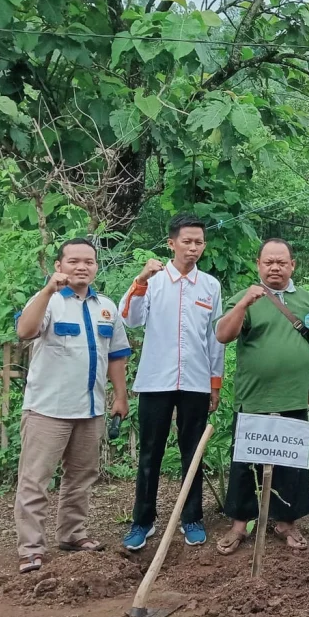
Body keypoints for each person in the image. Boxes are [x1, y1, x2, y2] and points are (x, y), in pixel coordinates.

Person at [13, 238, 131, 573]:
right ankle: (31, 547)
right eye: (74, 261)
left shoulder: (106, 307)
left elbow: (117, 356)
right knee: (35, 480)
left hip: (90, 409)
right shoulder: (48, 302)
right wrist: (48, 291)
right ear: (59, 266)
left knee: (81, 476)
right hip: (47, 409)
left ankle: (72, 533)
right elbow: (24, 330)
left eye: (89, 261)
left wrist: (119, 396)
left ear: (96, 266)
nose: (82, 267)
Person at [213, 239, 309, 554]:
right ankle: (238, 525)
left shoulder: (307, 301)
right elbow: (223, 335)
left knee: (291, 465)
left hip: (293, 398)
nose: (275, 267)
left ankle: (286, 523)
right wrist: (243, 304)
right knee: (245, 464)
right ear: (258, 265)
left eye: (281, 262)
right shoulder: (246, 298)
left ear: (293, 265)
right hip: (254, 399)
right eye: (268, 262)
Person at [119, 214, 224, 550]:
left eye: (198, 242)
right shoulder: (154, 280)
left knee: (192, 451)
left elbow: (215, 339)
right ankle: (142, 522)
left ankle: (191, 517)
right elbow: (131, 319)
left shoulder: (210, 285)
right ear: (171, 243)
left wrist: (215, 383)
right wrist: (141, 281)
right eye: (186, 241)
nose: (193, 248)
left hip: (195, 381)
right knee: (150, 452)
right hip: (155, 381)